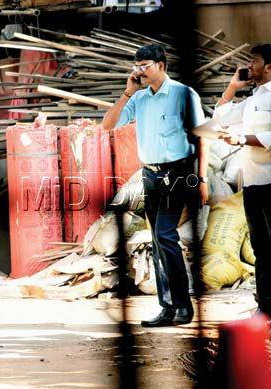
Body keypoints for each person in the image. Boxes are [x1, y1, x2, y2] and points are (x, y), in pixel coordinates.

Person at [101, 44, 208, 327]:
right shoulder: (139, 98)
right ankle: (168, 307)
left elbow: (201, 137)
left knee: (164, 235)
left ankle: (183, 305)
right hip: (150, 175)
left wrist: (203, 178)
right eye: (136, 65)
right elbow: (107, 125)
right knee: (159, 242)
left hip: (179, 173)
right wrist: (127, 93)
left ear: (162, 65)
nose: (140, 71)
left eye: (145, 65)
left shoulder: (183, 94)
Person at [214, 43, 271, 326]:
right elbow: (220, 118)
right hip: (252, 183)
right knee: (261, 247)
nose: (249, 66)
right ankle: (265, 306)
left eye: (254, 61)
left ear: (270, 66)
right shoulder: (251, 101)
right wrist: (232, 87)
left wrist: (241, 139)